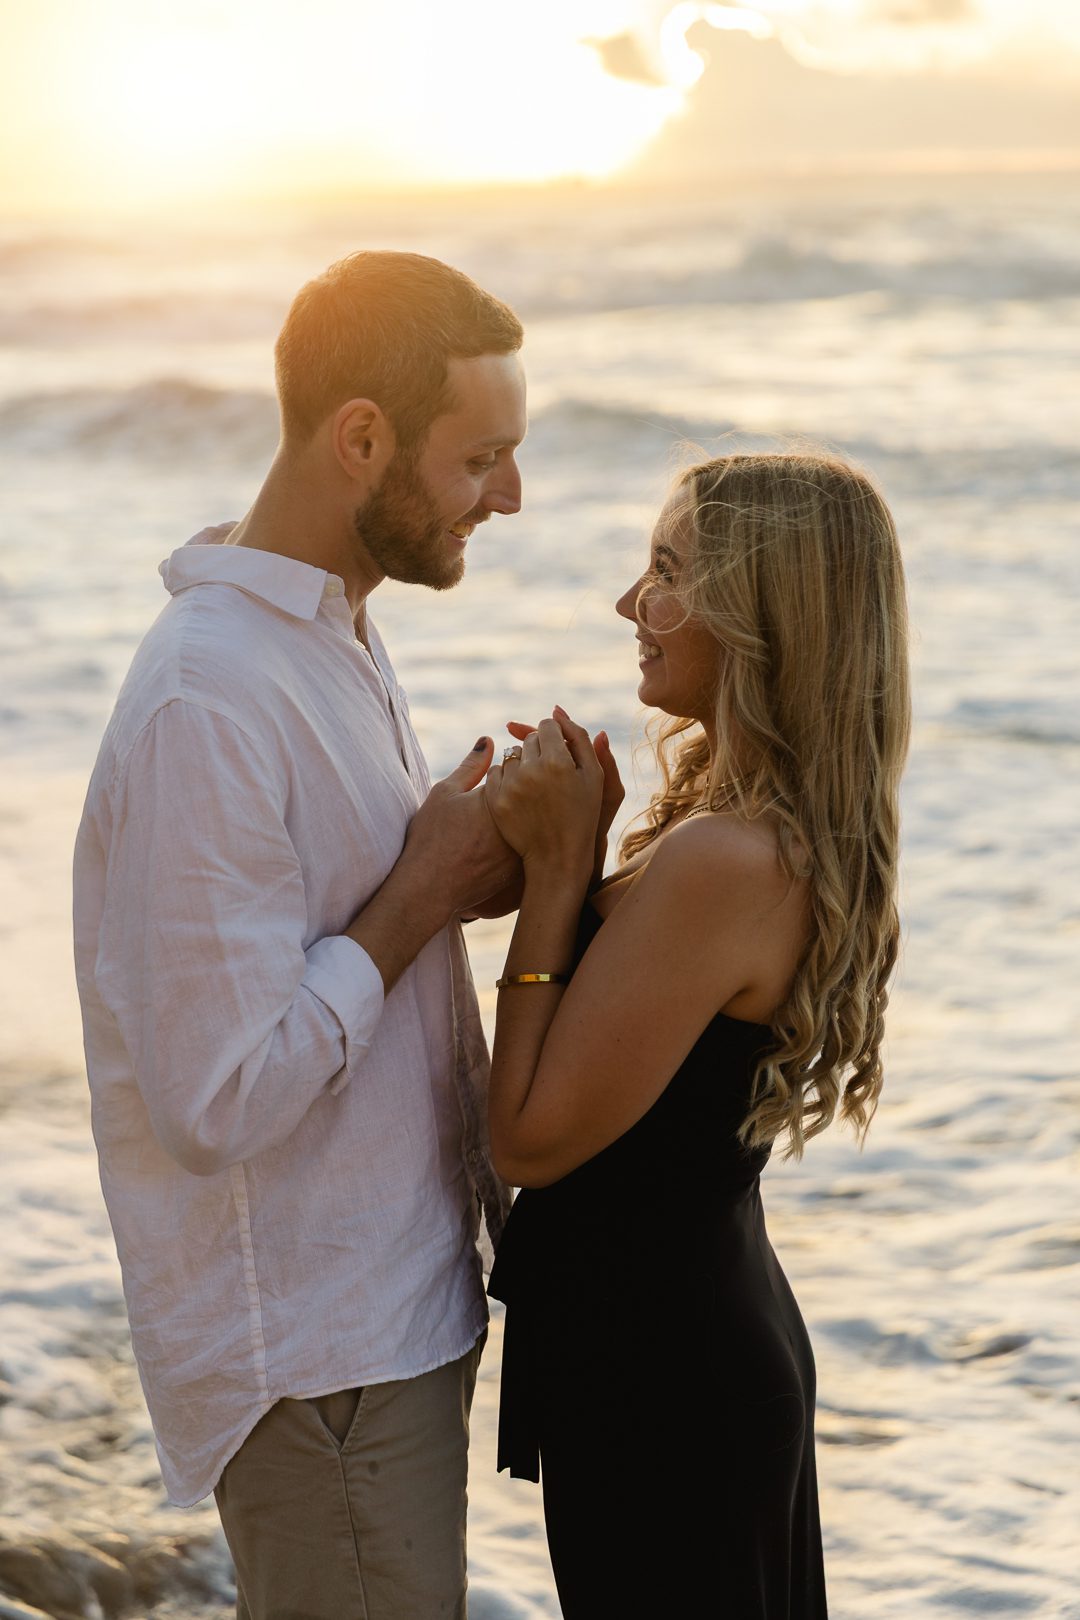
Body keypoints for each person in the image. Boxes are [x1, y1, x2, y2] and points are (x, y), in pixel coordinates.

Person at [73, 251, 534, 1620]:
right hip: (321, 1367)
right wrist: (417, 898)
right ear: (362, 440)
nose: (510, 496)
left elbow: (331, 928)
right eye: (482, 458)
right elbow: (215, 1098)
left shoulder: (329, 629)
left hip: (384, 1328)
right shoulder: (209, 697)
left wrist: (458, 861)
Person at [483, 450, 911, 1618]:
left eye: (666, 570)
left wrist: (559, 875)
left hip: (665, 1382)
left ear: (760, 612)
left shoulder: (727, 860)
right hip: (692, 1339)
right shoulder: (744, 831)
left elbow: (526, 1139)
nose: (631, 602)